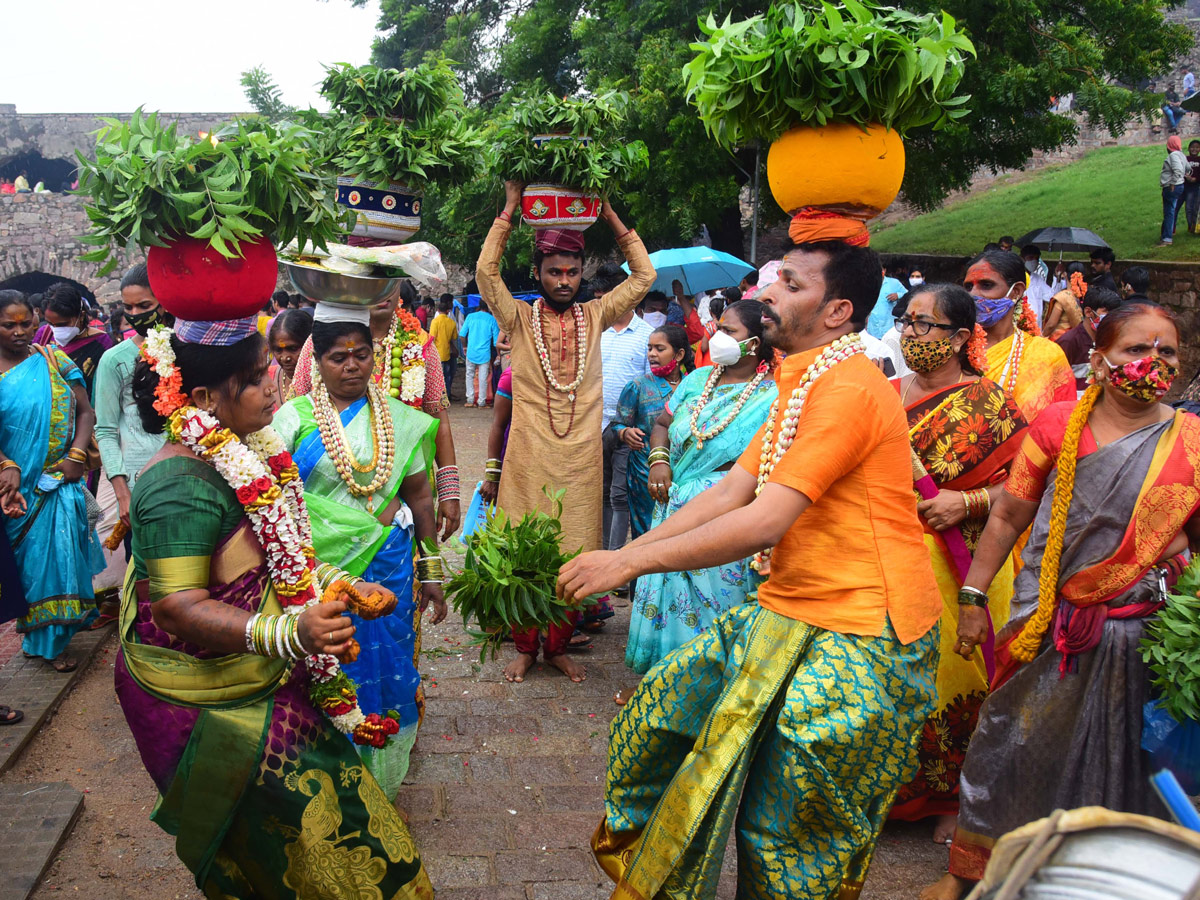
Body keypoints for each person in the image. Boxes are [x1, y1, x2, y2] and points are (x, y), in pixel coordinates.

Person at [558, 238, 942, 900]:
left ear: (836, 311)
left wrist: (625, 567)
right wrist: (622, 557)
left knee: (786, 832)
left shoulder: (848, 386)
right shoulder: (801, 381)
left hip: (863, 630)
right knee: (655, 726)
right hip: (790, 609)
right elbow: (727, 494)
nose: (767, 292)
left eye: (790, 284)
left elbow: (763, 522)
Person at [115, 318, 433, 897]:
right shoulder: (177, 486)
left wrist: (338, 581)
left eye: (270, 369)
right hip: (206, 696)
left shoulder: (243, 453)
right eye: (256, 377)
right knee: (282, 853)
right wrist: (293, 634)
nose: (275, 385)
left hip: (258, 678)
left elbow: (276, 555)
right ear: (205, 399)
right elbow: (178, 609)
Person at [924, 303, 1195, 900]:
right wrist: (974, 596)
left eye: (1167, 352)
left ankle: (1103, 878)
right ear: (1098, 360)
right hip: (1052, 625)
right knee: (1009, 742)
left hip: (1148, 634)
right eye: (1135, 350)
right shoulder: (1057, 425)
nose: (1151, 364)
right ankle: (970, 871)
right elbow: (1009, 516)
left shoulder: (1194, 443)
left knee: (1129, 761)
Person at [476, 181, 654, 684]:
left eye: (572, 272)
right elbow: (486, 274)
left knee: (573, 552)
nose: (563, 279)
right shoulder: (517, 317)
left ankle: (556, 646)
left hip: (579, 458)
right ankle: (525, 648)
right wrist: (509, 209)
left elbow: (644, 274)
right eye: (554, 271)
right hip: (529, 457)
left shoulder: (596, 315)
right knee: (524, 552)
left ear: (581, 274)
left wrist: (610, 212)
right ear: (538, 273)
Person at [274, 310, 444, 798]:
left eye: (362, 354)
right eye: (337, 357)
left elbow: (421, 497)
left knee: (387, 672)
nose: (352, 365)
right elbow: (273, 498)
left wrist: (430, 572)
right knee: (325, 669)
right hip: (316, 569)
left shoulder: (401, 419)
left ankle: (382, 786)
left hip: (387, 564)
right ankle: (329, 786)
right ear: (317, 362)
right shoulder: (293, 419)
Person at [886, 284, 1028, 844]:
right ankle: (890, 793)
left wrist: (964, 501)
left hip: (967, 564)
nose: (912, 334)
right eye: (907, 322)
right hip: (885, 554)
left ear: (963, 337)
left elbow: (1023, 487)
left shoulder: (989, 402)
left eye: (926, 325)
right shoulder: (886, 394)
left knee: (956, 676)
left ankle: (953, 799)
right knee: (893, 677)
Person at [622, 301, 777, 681]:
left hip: (729, 507)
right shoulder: (696, 380)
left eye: (731, 331)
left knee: (716, 601)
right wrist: (659, 460)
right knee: (664, 588)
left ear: (755, 342)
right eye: (718, 327)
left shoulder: (775, 393)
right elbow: (661, 423)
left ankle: (705, 686)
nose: (717, 337)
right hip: (674, 499)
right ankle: (657, 680)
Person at [291, 281, 461, 542]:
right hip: (331, 493)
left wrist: (450, 492)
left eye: (388, 284)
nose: (381, 294)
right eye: (371, 285)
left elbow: (439, 418)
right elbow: (296, 412)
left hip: (406, 491)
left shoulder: (421, 344)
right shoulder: (321, 342)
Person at [0, 291, 102, 672]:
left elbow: (86, 412)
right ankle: (37, 637)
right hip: (16, 488)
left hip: (61, 479)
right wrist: (6, 464)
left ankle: (51, 643)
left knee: (61, 558)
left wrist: (77, 454)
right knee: (30, 566)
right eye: (9, 324)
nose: (20, 331)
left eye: (27, 322)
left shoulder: (52, 359)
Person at [93, 263, 173, 608]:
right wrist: (122, 492)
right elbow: (106, 430)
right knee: (146, 581)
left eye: (144, 306)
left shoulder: (185, 349)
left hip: (184, 479)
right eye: (129, 308)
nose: (136, 315)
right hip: (139, 487)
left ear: (165, 303)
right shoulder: (115, 360)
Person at [962, 250, 1075, 424]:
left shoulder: (1046, 355)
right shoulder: (953, 346)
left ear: (1016, 291)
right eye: (969, 287)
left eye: (986, 285)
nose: (973, 295)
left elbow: (1062, 424)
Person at [612, 323, 691, 543]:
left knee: (682, 532)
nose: (652, 354)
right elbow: (616, 424)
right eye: (649, 349)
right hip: (645, 472)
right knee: (649, 532)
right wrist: (624, 432)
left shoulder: (693, 386)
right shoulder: (637, 386)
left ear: (679, 354)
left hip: (684, 471)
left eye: (659, 349)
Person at [599, 263, 653, 556]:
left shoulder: (647, 335)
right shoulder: (597, 330)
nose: (605, 302)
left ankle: (615, 560)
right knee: (600, 493)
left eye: (609, 295)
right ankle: (602, 553)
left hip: (628, 429)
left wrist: (638, 429)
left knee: (620, 495)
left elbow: (650, 386)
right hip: (594, 425)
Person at [40, 282, 114, 401]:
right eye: (50, 324)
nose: (56, 330)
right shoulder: (45, 334)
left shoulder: (102, 343)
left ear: (81, 316)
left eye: (62, 324)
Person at [1053, 286, 1123, 390]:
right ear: (1088, 312)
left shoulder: (1112, 340)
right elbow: (1054, 381)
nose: (1112, 320)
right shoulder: (1069, 342)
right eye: (1107, 314)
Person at [267, 309, 312, 407]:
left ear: (309, 345)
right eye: (278, 350)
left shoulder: (322, 385)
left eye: (293, 348)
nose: (284, 358)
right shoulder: (266, 378)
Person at [459, 299, 500, 408]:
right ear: (489, 307)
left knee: (469, 375)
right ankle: (481, 402)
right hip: (484, 353)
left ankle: (470, 399)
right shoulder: (491, 319)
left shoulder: (470, 317)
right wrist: (498, 355)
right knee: (483, 378)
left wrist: (464, 346)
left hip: (471, 352)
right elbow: (496, 342)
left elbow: (462, 335)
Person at [1041, 261, 1087, 339]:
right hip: (1077, 339)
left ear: (1065, 274)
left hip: (1060, 340)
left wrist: (1042, 337)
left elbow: (1051, 325)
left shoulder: (1063, 297)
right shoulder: (1085, 294)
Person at [428, 296, 459, 402]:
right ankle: (447, 394)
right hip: (447, 352)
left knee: (438, 377)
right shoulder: (452, 322)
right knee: (448, 375)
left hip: (437, 352)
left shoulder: (435, 322)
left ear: (438, 310)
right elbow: (454, 337)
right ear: (447, 311)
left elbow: (431, 337)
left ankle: (439, 397)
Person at [1160, 134, 1188, 246]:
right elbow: (1188, 169)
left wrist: (1172, 183)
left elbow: (1178, 170)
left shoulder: (1173, 156)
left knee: (1169, 212)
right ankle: (1165, 235)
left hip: (1172, 186)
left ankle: (1167, 238)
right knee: (1170, 211)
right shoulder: (1181, 155)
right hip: (1179, 185)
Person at [866, 266, 907, 339]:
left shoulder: (894, 283)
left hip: (889, 327)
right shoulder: (868, 284)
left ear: (884, 270)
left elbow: (907, 294)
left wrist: (898, 295)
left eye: (880, 270)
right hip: (873, 328)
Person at [1019, 245, 1054, 324]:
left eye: (1036, 259)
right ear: (1022, 258)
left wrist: (1058, 277)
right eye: (1031, 258)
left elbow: (1052, 296)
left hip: (1036, 326)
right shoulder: (1014, 278)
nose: (1034, 261)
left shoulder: (1038, 279)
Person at [1184, 139, 1200, 234]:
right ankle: (1190, 226)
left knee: (1196, 208)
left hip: (1197, 186)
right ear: (1189, 148)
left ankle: (1195, 226)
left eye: (1197, 147)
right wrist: (1187, 177)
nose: (1194, 149)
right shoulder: (1185, 159)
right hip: (1188, 187)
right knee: (1188, 207)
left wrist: (1196, 179)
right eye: (1192, 147)